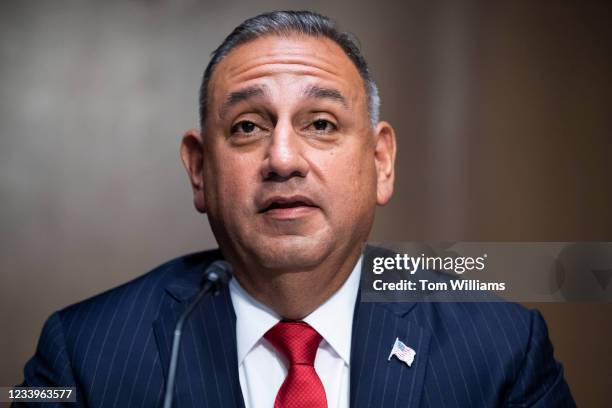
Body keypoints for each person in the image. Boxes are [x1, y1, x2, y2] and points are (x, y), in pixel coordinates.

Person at [17, 10, 574, 408]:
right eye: (248, 127)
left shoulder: (504, 348)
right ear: (199, 170)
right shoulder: (81, 353)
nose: (283, 159)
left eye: (322, 125)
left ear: (381, 163)